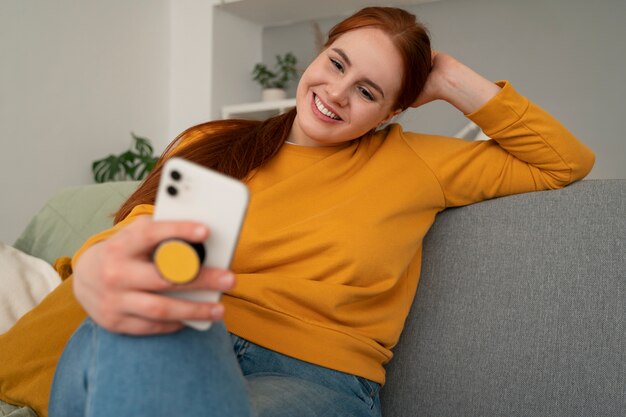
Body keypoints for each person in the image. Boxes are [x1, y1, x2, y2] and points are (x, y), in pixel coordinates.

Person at [1, 6, 595, 417]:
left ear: (392, 111)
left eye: (368, 90)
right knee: (127, 339)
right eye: (337, 63)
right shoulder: (214, 141)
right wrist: (105, 266)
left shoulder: (418, 161)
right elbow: (143, 230)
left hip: (312, 376)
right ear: (318, 55)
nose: (337, 93)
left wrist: (451, 78)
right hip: (192, 337)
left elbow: (563, 162)